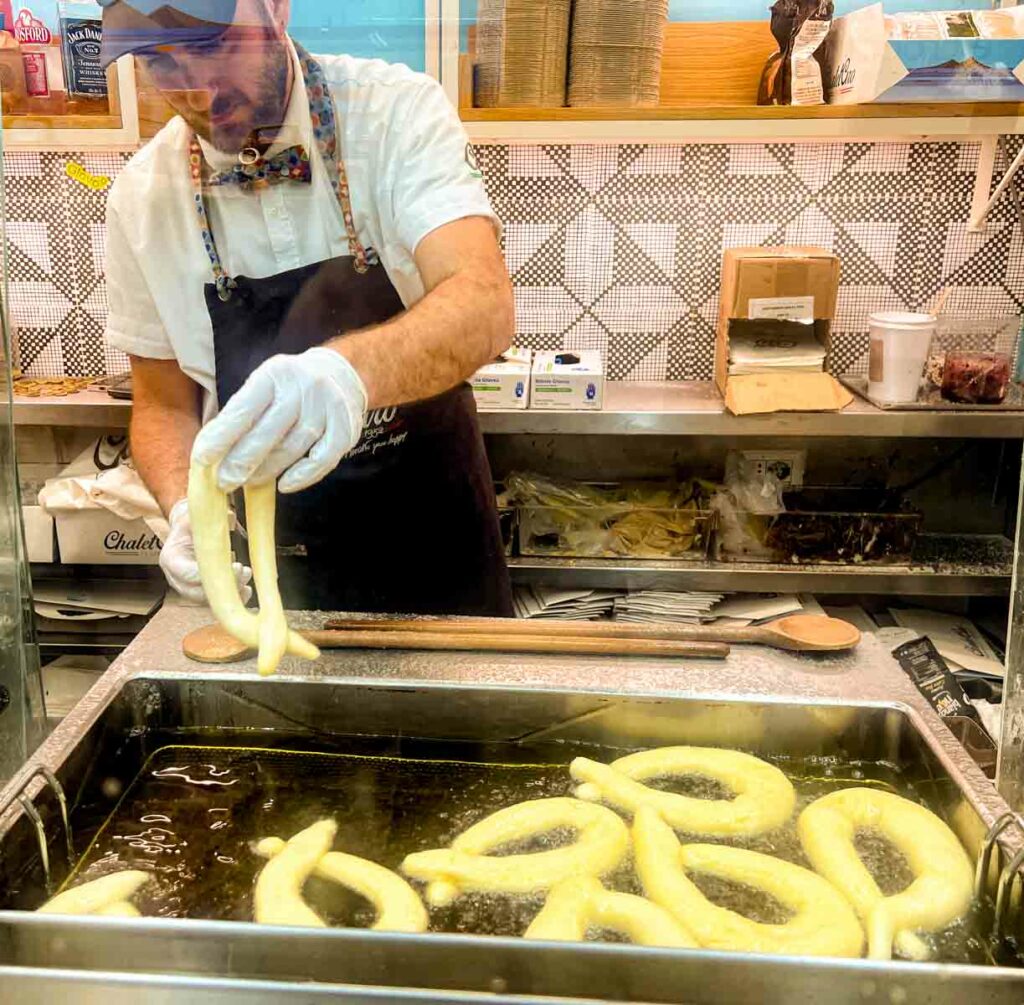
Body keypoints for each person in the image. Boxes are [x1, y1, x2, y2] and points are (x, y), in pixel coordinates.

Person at [98, 0, 515, 615]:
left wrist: (344, 374)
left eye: (214, 46)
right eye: (160, 62)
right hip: (277, 584)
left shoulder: (393, 113)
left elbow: (483, 300)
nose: (198, 90)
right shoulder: (141, 199)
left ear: (276, 8)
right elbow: (162, 405)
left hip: (441, 555)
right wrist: (185, 509)